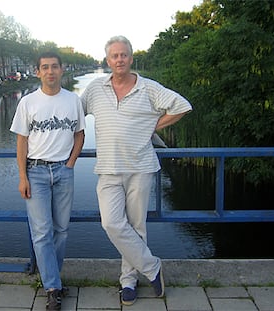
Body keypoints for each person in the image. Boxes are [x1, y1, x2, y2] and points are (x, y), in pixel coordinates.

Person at [81, 35, 192, 306]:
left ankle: (128, 281)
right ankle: (153, 268)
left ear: (131, 58)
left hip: (140, 167)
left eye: (124, 55)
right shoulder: (95, 89)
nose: (119, 59)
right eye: (114, 56)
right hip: (107, 168)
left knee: (136, 226)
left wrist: (153, 125)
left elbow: (182, 106)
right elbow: (74, 113)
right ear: (107, 60)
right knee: (111, 223)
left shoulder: (148, 88)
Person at [10, 51, 85, 311]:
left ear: (62, 70)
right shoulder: (28, 102)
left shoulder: (73, 100)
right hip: (36, 173)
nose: (50, 71)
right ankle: (53, 287)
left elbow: (80, 134)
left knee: (61, 230)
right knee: (42, 233)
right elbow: (21, 141)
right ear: (38, 71)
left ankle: (54, 278)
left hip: (64, 172)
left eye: (54, 67)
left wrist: (71, 163)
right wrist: (22, 176)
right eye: (45, 67)